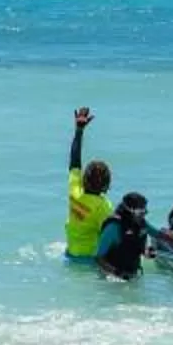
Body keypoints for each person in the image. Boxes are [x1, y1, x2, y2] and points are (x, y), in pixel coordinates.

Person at [64, 107, 113, 262]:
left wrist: (79, 131)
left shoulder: (75, 191)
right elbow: (110, 237)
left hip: (70, 255)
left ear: (84, 179)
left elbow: (74, 162)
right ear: (107, 185)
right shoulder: (103, 207)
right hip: (91, 261)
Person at [95, 192, 152, 280]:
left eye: (145, 210)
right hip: (111, 278)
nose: (145, 214)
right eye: (140, 212)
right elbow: (99, 258)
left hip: (133, 275)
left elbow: (158, 234)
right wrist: (116, 273)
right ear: (129, 211)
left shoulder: (141, 224)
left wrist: (147, 252)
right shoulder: (113, 228)